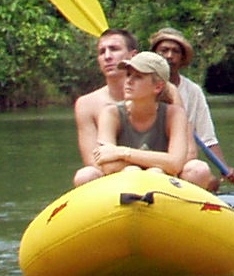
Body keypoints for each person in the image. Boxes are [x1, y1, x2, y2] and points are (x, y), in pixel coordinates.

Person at [74, 50, 192, 185]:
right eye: (128, 75)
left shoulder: (175, 114)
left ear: (158, 86)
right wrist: (140, 167)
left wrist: (122, 153)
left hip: (162, 180)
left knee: (194, 169)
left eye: (138, 77)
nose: (129, 81)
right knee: (85, 175)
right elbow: (106, 163)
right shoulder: (110, 113)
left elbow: (175, 164)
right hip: (122, 180)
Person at [146, 27, 223, 191]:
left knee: (210, 180)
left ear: (182, 58)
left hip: (182, 160)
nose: (169, 56)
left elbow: (207, 138)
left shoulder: (193, 91)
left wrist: (225, 168)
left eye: (175, 52)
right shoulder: (140, 85)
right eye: (164, 51)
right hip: (148, 158)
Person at [71, 27, 136, 177]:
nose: (107, 56)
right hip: (109, 174)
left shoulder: (156, 93)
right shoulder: (86, 103)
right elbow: (93, 161)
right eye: (102, 52)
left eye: (114, 49)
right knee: (85, 174)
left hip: (156, 172)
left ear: (132, 56)